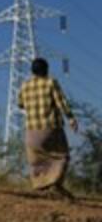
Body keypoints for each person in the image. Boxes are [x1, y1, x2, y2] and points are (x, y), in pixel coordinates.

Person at [18, 58, 78, 197]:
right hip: (50, 128)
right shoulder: (50, 82)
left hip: (31, 131)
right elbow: (61, 102)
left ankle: (41, 187)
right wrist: (71, 118)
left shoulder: (25, 85)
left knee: (37, 160)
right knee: (61, 156)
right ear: (46, 70)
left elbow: (20, 103)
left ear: (32, 71)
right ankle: (55, 185)